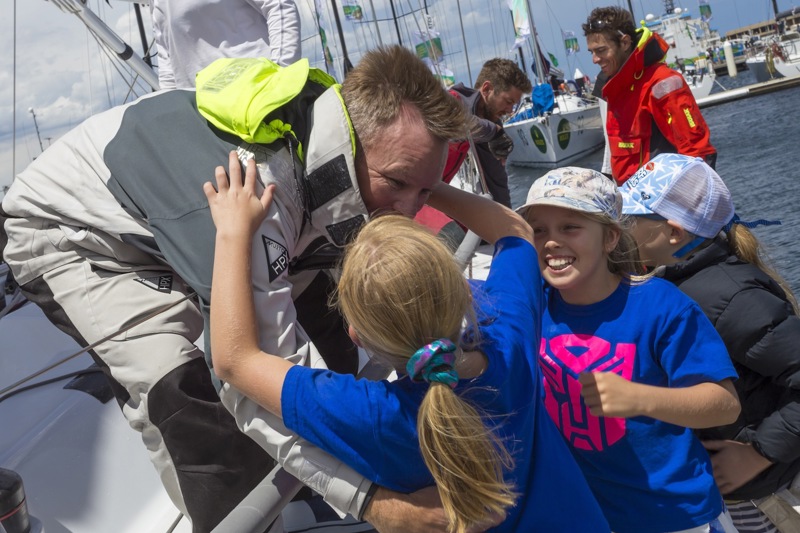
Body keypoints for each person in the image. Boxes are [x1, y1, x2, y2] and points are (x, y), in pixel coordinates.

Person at [0, 46, 467, 532]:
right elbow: (245, 372)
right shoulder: (253, 192)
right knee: (182, 388)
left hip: (197, 216)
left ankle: (311, 490)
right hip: (78, 235)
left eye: (425, 191)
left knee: (330, 342)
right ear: (350, 153)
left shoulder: (336, 144)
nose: (410, 211)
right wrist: (377, 504)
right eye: (397, 183)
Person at [204, 153, 611, 532]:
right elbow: (513, 230)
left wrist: (233, 232)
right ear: (465, 292)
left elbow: (233, 360)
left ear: (356, 336)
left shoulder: (375, 413)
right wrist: (430, 183)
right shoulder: (510, 338)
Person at [516, 167, 741, 532]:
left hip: (675, 517)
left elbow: (724, 404)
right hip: (584, 516)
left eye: (570, 227)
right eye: (539, 230)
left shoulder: (662, 307)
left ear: (609, 238)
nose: (551, 241)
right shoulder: (531, 306)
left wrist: (638, 398)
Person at [620, 153, 800, 533]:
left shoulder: (729, 297)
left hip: (769, 490)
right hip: (740, 491)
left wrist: (758, 452)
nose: (621, 228)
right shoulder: (678, 285)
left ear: (673, 233)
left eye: (631, 219)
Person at [582, 6, 716, 185]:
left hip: (662, 203)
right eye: (591, 52)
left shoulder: (662, 83)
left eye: (601, 50)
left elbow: (697, 151)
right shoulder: (610, 88)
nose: (595, 59)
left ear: (625, 42)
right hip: (629, 203)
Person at [415, 58, 531, 250]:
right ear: (486, 89)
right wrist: (494, 132)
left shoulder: (491, 124)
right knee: (454, 238)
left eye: (514, 105)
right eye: (508, 101)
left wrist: (507, 225)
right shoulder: (451, 101)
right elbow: (456, 122)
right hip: (410, 193)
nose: (510, 110)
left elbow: (497, 180)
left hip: (433, 194)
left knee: (507, 231)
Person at [150, 0, 301, 89]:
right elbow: (167, 59)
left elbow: (278, 6)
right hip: (203, 121)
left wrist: (281, 80)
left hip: (259, 100)